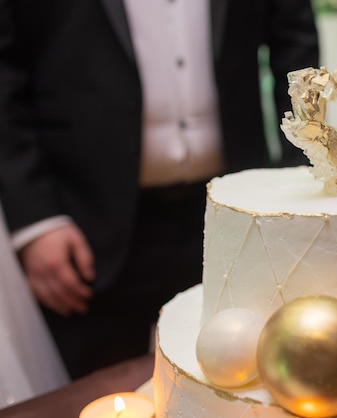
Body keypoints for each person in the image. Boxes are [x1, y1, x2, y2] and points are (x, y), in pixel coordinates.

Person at [0, 0, 319, 380]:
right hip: (84, 218)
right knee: (97, 386)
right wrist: (36, 217)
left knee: (240, 381)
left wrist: (296, 177)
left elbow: (296, 46)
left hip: (229, 213)